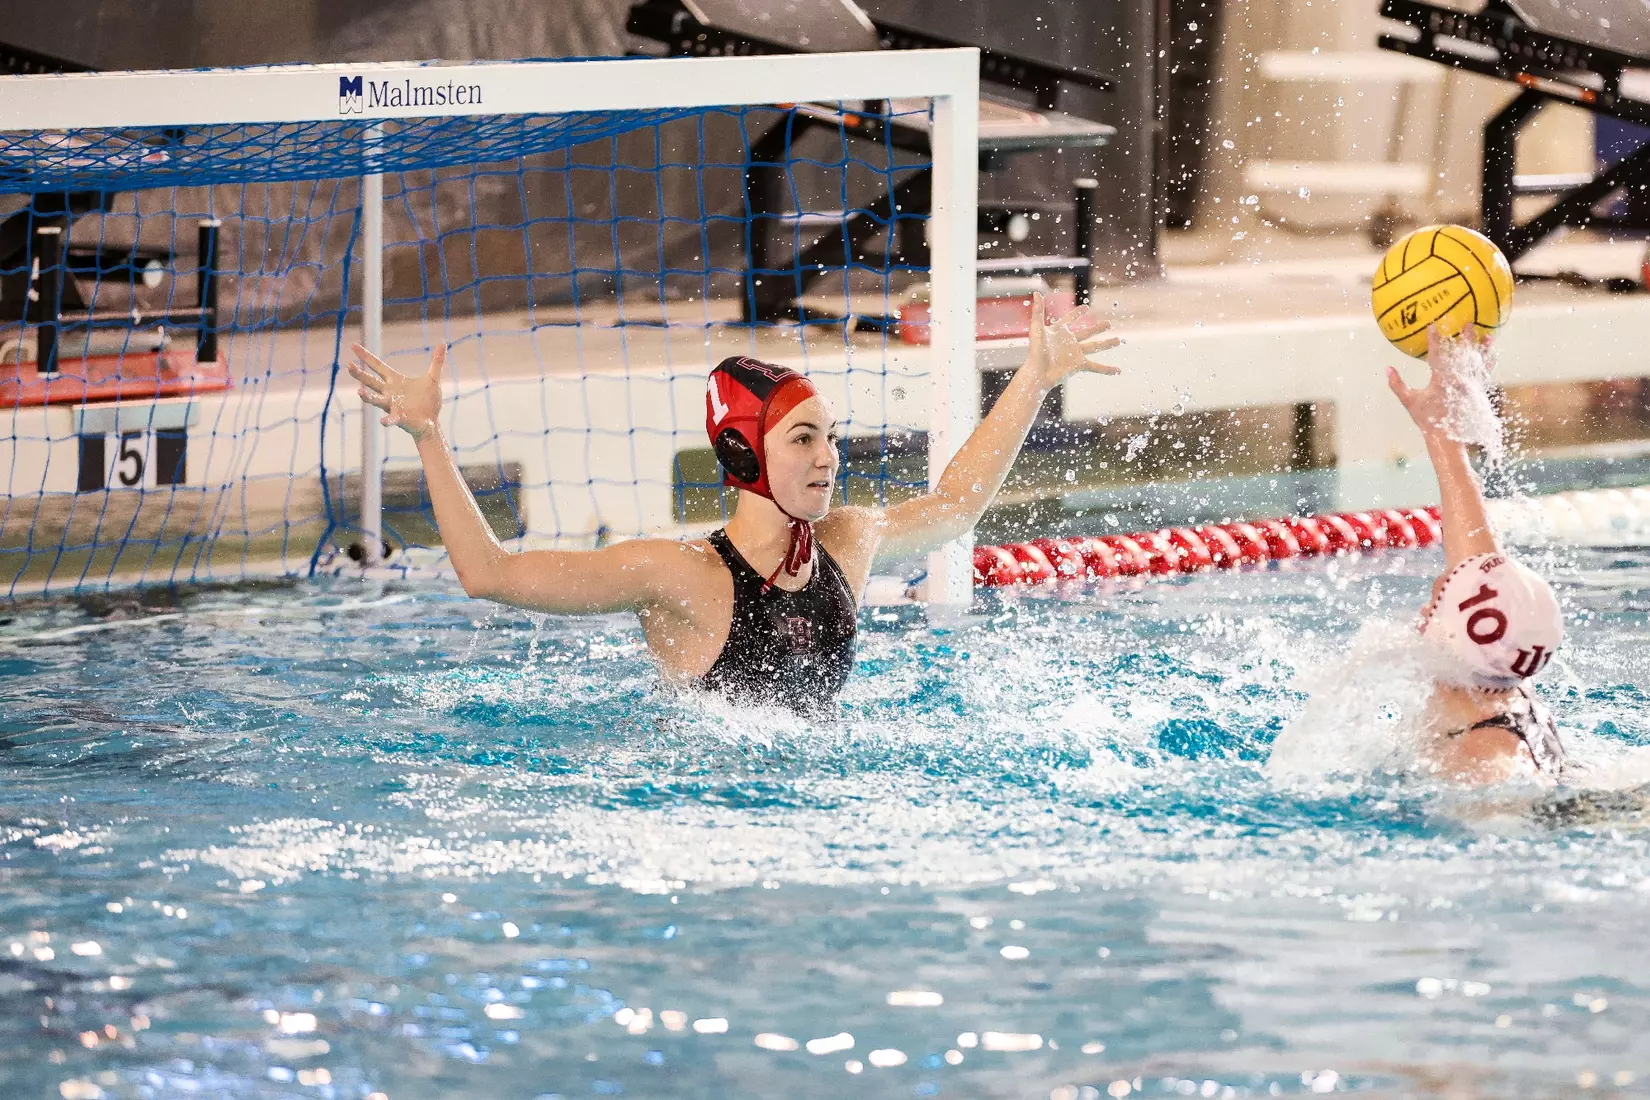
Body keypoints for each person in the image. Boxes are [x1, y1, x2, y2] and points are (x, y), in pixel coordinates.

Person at [347, 295, 1121, 715]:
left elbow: (956, 503)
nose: (828, 457)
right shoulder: (678, 575)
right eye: (804, 439)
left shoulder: (846, 541)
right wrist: (426, 436)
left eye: (831, 437)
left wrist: (1034, 380)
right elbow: (490, 574)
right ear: (746, 454)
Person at [1386, 326, 1566, 784]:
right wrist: (1441, 432)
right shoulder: (1499, 669)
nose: (1425, 613)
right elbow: (1477, 565)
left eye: (1437, 604)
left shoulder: (1484, 761)